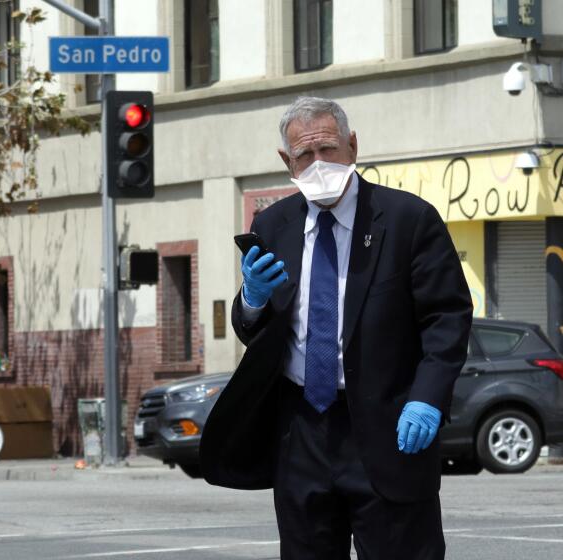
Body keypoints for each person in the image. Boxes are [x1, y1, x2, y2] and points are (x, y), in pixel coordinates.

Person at [199, 96, 472, 560]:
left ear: (353, 146)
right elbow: (257, 333)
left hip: (389, 427)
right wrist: (252, 300)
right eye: (305, 155)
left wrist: (427, 398)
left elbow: (446, 317)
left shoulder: (408, 219)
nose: (319, 163)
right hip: (302, 432)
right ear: (288, 162)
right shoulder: (273, 224)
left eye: (328, 149)